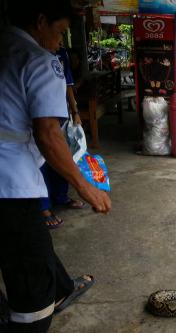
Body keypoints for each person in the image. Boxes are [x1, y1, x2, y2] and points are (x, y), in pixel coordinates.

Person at [0, 1, 111, 332]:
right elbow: (49, 135)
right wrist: (85, 186)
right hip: (9, 183)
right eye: (61, 31)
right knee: (32, 289)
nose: (62, 42)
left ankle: (62, 287)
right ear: (40, 20)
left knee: (29, 246)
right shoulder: (38, 61)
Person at [40, 45, 85, 229]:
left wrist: (75, 111)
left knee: (63, 154)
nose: (60, 40)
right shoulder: (29, 53)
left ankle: (60, 196)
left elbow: (68, 83)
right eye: (58, 31)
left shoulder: (61, 53)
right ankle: (44, 207)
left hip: (62, 114)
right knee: (41, 159)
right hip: (40, 117)